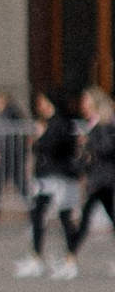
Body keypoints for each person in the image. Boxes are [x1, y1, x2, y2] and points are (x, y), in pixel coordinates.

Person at [18, 91, 84, 278]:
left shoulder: (59, 123)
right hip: (47, 178)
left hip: (58, 177)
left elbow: (53, 146)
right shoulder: (50, 123)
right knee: (38, 214)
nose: (41, 107)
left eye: (44, 102)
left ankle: (70, 259)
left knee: (64, 217)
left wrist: (40, 137)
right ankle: (37, 257)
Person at [67, 87, 115, 260]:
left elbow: (107, 148)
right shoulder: (93, 124)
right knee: (88, 218)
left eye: (86, 101)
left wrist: (89, 144)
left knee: (85, 219)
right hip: (98, 180)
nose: (83, 105)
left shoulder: (105, 123)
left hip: (104, 179)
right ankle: (69, 257)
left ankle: (69, 258)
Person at [0, 87, 30, 226]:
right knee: (20, 184)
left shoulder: (8, 115)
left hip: (8, 156)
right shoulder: (12, 114)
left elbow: (5, 138)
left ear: (4, 101)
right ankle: (33, 211)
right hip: (12, 155)